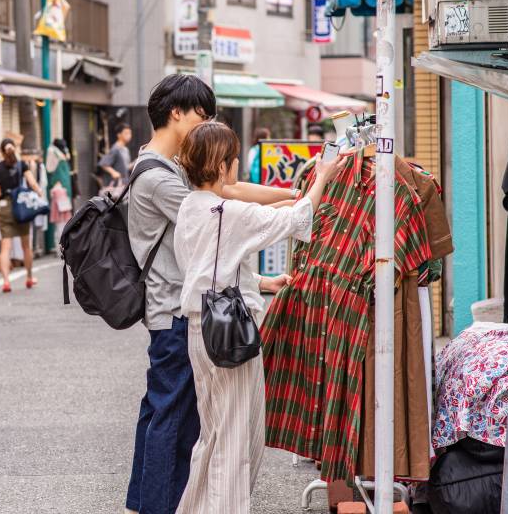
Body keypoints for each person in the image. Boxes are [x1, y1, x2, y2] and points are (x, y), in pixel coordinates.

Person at [125, 75, 298, 514]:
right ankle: (159, 506)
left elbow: (227, 204)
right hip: (173, 309)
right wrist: (299, 202)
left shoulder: (170, 167)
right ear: (176, 113)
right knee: (174, 418)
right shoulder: (159, 178)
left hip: (179, 304)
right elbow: (224, 209)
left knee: (164, 411)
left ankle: (146, 502)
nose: (207, 121)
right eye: (202, 113)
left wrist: (291, 196)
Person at [172, 122, 339, 513]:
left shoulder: (193, 206)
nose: (235, 166)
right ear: (221, 166)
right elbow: (296, 221)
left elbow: (210, 267)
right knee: (235, 438)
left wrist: (263, 283)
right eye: (232, 159)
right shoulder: (225, 212)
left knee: (213, 433)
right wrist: (324, 177)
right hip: (229, 334)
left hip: (201, 327)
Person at [0, 138, 43, 293]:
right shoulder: (22, 165)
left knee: (5, 247)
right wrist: (39, 195)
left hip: (5, 207)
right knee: (26, 245)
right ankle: (29, 277)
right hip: (21, 207)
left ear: (0, 151)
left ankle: (6, 282)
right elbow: (32, 183)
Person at [99, 123, 133, 193]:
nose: (129, 136)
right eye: (126, 133)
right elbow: (103, 164)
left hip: (124, 184)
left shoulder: (126, 150)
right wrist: (113, 172)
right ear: (119, 135)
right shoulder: (115, 149)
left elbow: (126, 167)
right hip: (116, 186)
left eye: (130, 133)